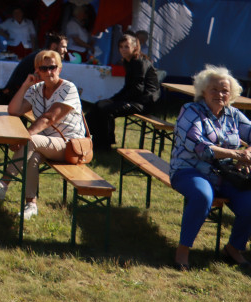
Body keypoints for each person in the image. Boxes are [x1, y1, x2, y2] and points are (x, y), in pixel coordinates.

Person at [0, 49, 87, 221]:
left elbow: (49, 118)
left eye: (52, 67)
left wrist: (22, 138)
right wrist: (24, 86)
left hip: (70, 145)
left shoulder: (68, 88)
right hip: (46, 143)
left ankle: (3, 184)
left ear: (60, 68)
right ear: (37, 70)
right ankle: (31, 204)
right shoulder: (36, 89)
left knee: (31, 142)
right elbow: (14, 110)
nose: (48, 72)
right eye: (43, 68)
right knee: (32, 156)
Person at [170, 66, 251, 270]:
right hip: (189, 170)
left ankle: (234, 248)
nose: (220, 94)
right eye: (214, 89)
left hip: (224, 175)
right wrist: (235, 154)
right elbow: (199, 147)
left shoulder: (233, 114)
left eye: (224, 90)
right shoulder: (190, 110)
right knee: (202, 195)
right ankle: (183, 250)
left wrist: (248, 153)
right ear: (203, 91)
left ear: (231, 94)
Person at [88, 33, 160, 150]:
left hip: (144, 102)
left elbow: (138, 89)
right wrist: (113, 99)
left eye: (126, 47)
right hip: (134, 98)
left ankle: (105, 145)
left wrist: (115, 101)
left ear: (134, 47)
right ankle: (89, 139)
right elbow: (128, 87)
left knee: (107, 110)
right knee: (98, 106)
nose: (123, 50)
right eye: (121, 47)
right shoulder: (128, 61)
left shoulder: (139, 62)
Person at [0, 32, 69, 104]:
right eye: (63, 47)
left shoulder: (43, 55)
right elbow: (44, 84)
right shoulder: (45, 58)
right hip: (16, 96)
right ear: (53, 46)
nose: (66, 50)